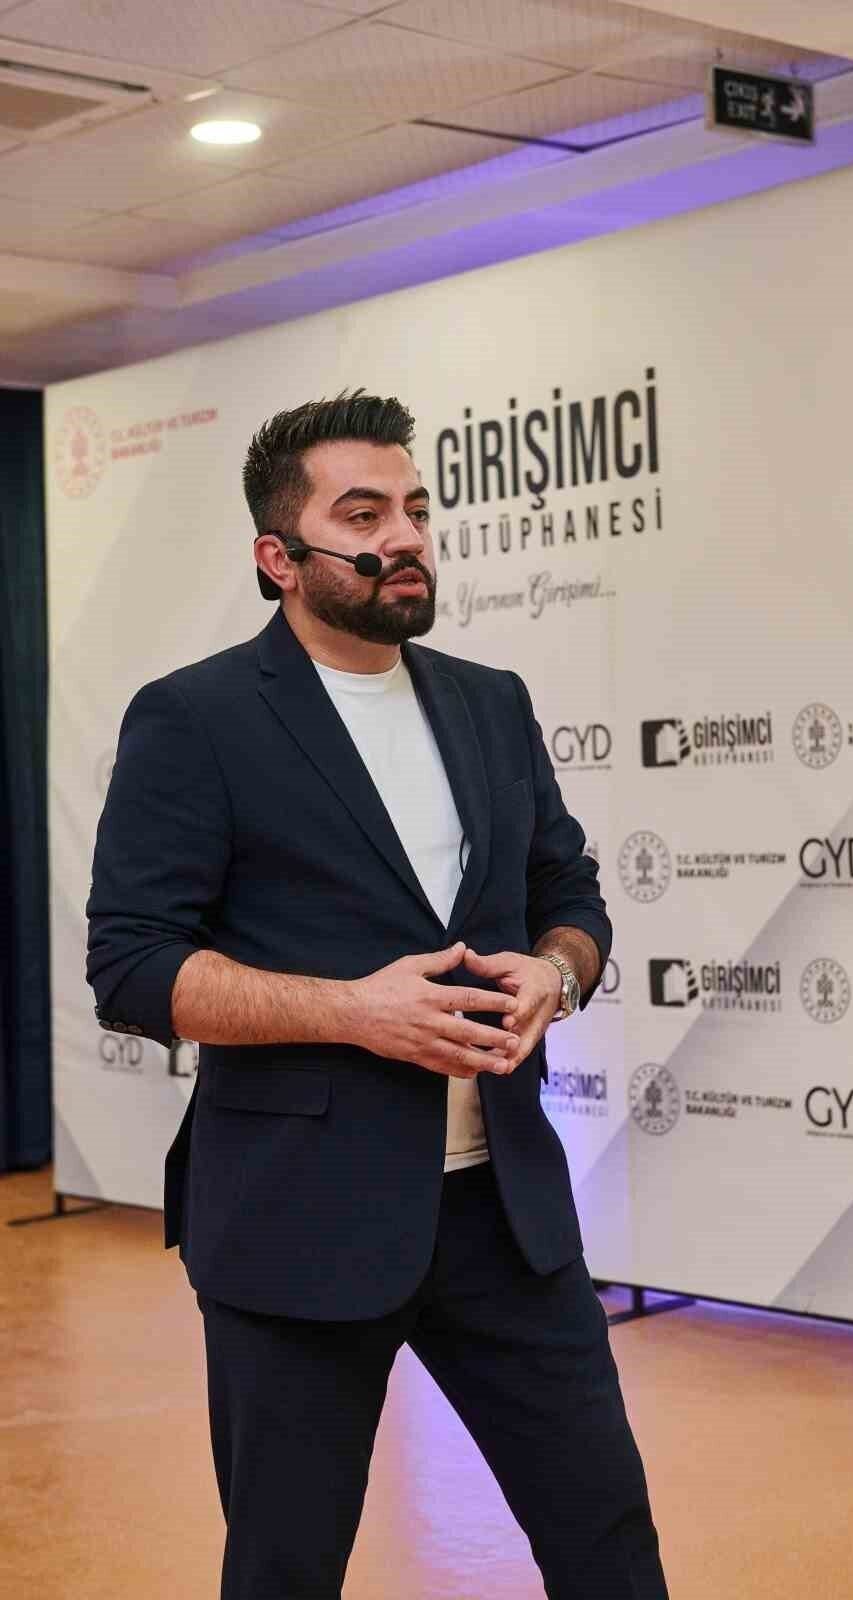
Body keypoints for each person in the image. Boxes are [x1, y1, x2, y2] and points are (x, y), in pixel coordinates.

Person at [86, 391, 669, 1600]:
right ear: (279, 557)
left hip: (503, 1217)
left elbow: (570, 894)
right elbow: (133, 965)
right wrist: (351, 1010)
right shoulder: (196, 719)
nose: (402, 536)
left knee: (608, 1543)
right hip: (295, 1222)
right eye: (361, 516)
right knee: (286, 1569)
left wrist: (555, 971)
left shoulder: (490, 701)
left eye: (414, 508)